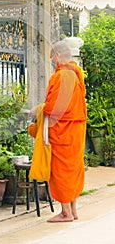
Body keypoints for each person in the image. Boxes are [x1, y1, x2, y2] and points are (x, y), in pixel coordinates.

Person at [29, 40, 87, 222]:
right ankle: (74, 210)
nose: (52, 60)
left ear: (59, 55)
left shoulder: (63, 75)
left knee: (61, 170)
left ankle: (65, 213)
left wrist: (38, 109)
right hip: (76, 130)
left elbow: (54, 107)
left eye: (52, 56)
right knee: (73, 168)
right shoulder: (76, 74)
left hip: (63, 130)